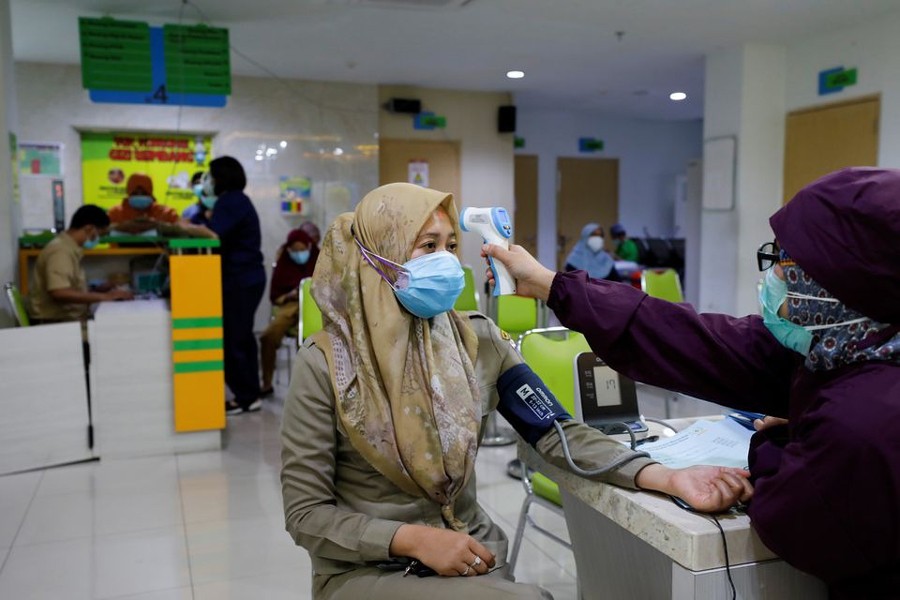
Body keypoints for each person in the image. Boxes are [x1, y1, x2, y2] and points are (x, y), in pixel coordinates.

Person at [280, 182, 752, 600]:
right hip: (370, 569)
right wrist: (411, 538)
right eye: (427, 246)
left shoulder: (477, 340)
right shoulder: (326, 366)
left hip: (474, 549)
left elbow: (555, 433)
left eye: (450, 245)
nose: (447, 260)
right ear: (377, 258)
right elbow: (306, 514)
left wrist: (664, 476)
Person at [482, 167, 900, 598]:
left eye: (786, 262)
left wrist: (780, 442)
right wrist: (554, 287)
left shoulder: (863, 419)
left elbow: (799, 513)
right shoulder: (845, 348)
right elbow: (702, 341)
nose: (774, 275)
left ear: (840, 283)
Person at [182, 156, 266, 415]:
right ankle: (249, 392)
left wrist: (182, 227)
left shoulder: (232, 200)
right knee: (240, 336)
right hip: (243, 278)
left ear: (221, 177)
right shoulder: (233, 201)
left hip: (241, 279)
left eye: (210, 176)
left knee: (236, 338)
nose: (207, 182)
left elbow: (213, 234)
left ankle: (246, 397)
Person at [29, 204, 134, 323]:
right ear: (89, 229)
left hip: (67, 319)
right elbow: (59, 292)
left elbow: (68, 287)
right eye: (99, 235)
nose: (98, 240)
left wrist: (97, 290)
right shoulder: (61, 251)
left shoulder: (69, 248)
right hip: (56, 323)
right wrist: (106, 297)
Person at [259, 228, 319, 396]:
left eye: (303, 250)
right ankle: (267, 382)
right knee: (268, 336)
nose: (300, 254)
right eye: (295, 251)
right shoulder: (283, 264)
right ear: (289, 250)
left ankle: (312, 388)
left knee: (312, 341)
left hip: (314, 305)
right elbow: (275, 295)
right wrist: (291, 295)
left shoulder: (319, 259)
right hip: (290, 305)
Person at [108, 173, 179, 230]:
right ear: (128, 193)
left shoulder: (166, 212)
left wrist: (156, 224)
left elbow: (183, 232)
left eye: (144, 193)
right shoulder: (115, 212)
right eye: (135, 193)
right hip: (119, 248)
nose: (140, 196)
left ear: (150, 193)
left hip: (157, 248)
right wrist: (126, 226)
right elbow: (102, 231)